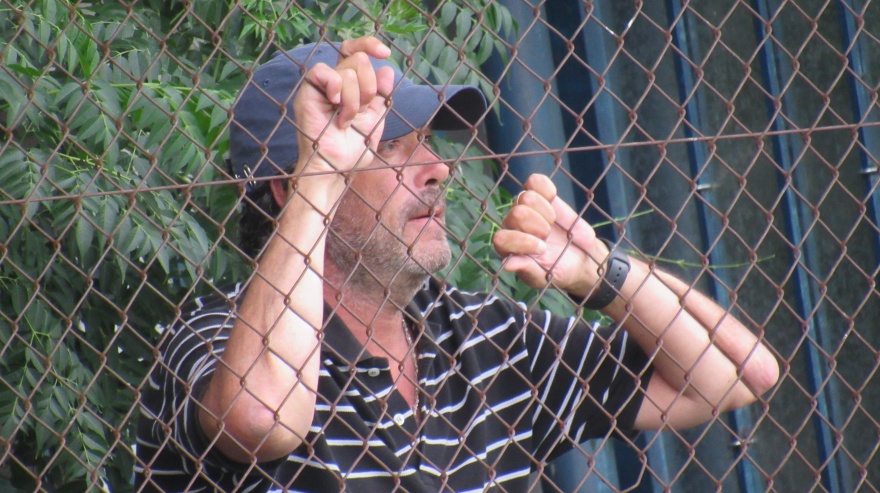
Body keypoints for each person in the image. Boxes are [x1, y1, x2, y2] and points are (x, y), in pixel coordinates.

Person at [135, 37, 778, 492]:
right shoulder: (219, 337)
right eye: (391, 147)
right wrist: (319, 178)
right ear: (289, 186)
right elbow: (260, 420)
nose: (439, 168)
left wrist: (603, 276)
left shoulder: (478, 334)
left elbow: (738, 375)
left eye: (429, 142)